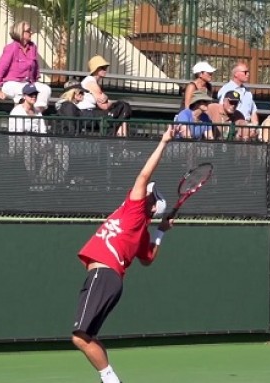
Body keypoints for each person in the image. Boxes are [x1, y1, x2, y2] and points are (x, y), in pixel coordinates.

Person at [72, 126, 175, 383]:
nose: (143, 191)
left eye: (149, 195)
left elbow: (143, 175)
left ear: (151, 206)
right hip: (108, 278)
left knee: (79, 337)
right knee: (89, 336)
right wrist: (161, 232)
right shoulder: (139, 229)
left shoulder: (136, 212)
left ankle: (111, 380)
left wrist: (163, 142)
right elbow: (147, 259)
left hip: (104, 274)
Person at [0, 20, 51, 107]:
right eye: (28, 30)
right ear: (20, 32)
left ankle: (36, 113)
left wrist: (35, 81)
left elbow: (35, 67)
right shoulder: (11, 48)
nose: (31, 32)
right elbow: (0, 68)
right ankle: (21, 111)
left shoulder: (32, 47)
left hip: (27, 83)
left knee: (46, 89)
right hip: (10, 84)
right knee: (23, 91)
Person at [77, 55, 132, 136]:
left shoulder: (92, 82)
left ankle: (119, 136)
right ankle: (118, 138)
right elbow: (104, 106)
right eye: (102, 68)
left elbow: (104, 102)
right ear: (95, 69)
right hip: (87, 115)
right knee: (123, 106)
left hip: (89, 114)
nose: (105, 70)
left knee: (123, 108)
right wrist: (112, 102)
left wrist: (107, 98)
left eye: (106, 67)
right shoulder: (91, 83)